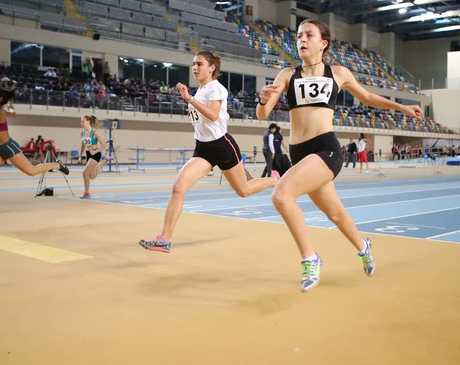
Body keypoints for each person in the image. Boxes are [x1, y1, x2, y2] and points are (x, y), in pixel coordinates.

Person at [257, 19, 423, 292]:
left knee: (281, 194)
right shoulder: (287, 75)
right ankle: (363, 246)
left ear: (323, 43)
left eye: (309, 35)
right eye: (299, 35)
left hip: (326, 149)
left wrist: (403, 108)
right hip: (300, 153)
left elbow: (368, 97)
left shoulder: (338, 72)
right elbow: (263, 114)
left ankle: (310, 257)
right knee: (335, 213)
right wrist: (263, 99)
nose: (302, 39)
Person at [139, 50, 279, 253]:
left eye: (199, 64)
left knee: (244, 190)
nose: (195, 67)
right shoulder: (200, 92)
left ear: (211, 68)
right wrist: (192, 104)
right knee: (178, 187)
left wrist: (189, 100)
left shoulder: (216, 88)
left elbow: (213, 116)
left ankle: (275, 179)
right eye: (193, 64)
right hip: (203, 148)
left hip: (222, 146)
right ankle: (164, 239)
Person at [78, 115, 107, 198]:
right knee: (92, 176)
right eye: (81, 121)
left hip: (95, 154)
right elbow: (83, 145)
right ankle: (102, 163)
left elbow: (104, 145)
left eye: (83, 121)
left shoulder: (94, 132)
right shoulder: (82, 133)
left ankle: (86, 193)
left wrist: (95, 151)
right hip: (88, 155)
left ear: (88, 122)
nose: (81, 123)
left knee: (85, 173)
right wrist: (80, 156)